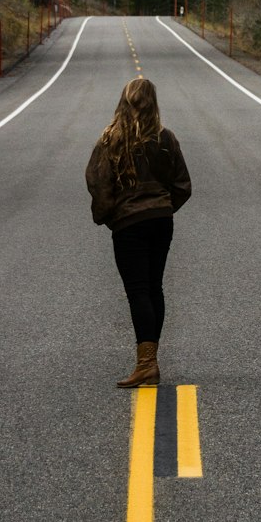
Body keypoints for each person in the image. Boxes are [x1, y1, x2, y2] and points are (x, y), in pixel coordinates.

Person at [85, 77, 192, 387]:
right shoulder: (166, 139)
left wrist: (111, 216)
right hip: (161, 221)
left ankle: (147, 364)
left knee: (138, 291)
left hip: (129, 225)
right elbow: (182, 184)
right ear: (153, 103)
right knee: (154, 286)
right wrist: (163, 207)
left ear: (123, 101)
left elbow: (97, 183)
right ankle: (150, 360)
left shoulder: (110, 140)